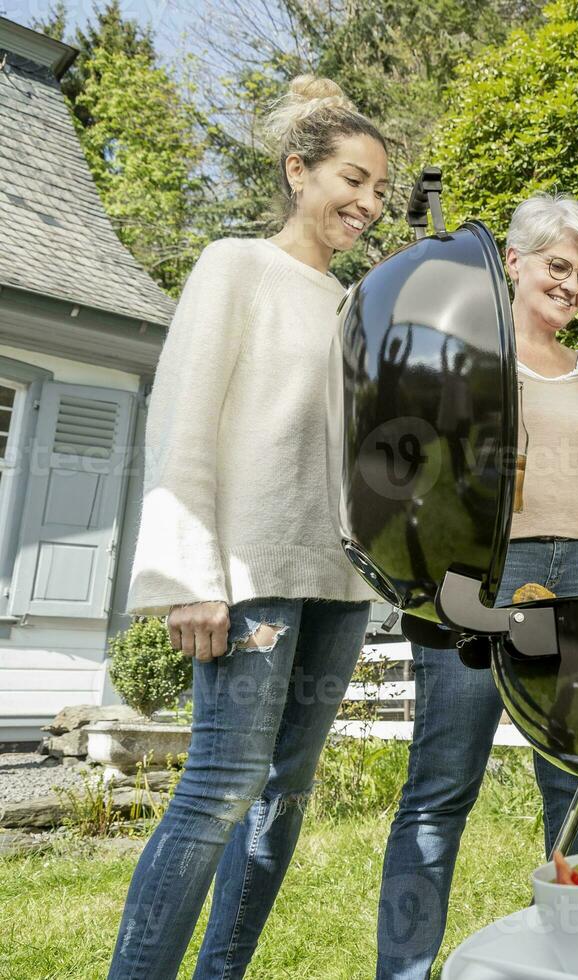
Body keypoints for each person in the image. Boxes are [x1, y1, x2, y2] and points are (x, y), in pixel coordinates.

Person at [111, 76, 389, 979]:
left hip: (339, 582)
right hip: (250, 572)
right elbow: (182, 419)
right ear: (297, 170)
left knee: (283, 799)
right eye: (354, 179)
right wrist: (192, 576)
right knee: (222, 789)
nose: (369, 204)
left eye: (381, 190)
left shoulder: (354, 306)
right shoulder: (234, 264)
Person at [376, 192, 578, 980]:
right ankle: (404, 969)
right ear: (514, 263)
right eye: (558, 266)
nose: (572, 285)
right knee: (442, 782)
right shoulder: (462, 354)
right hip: (486, 578)